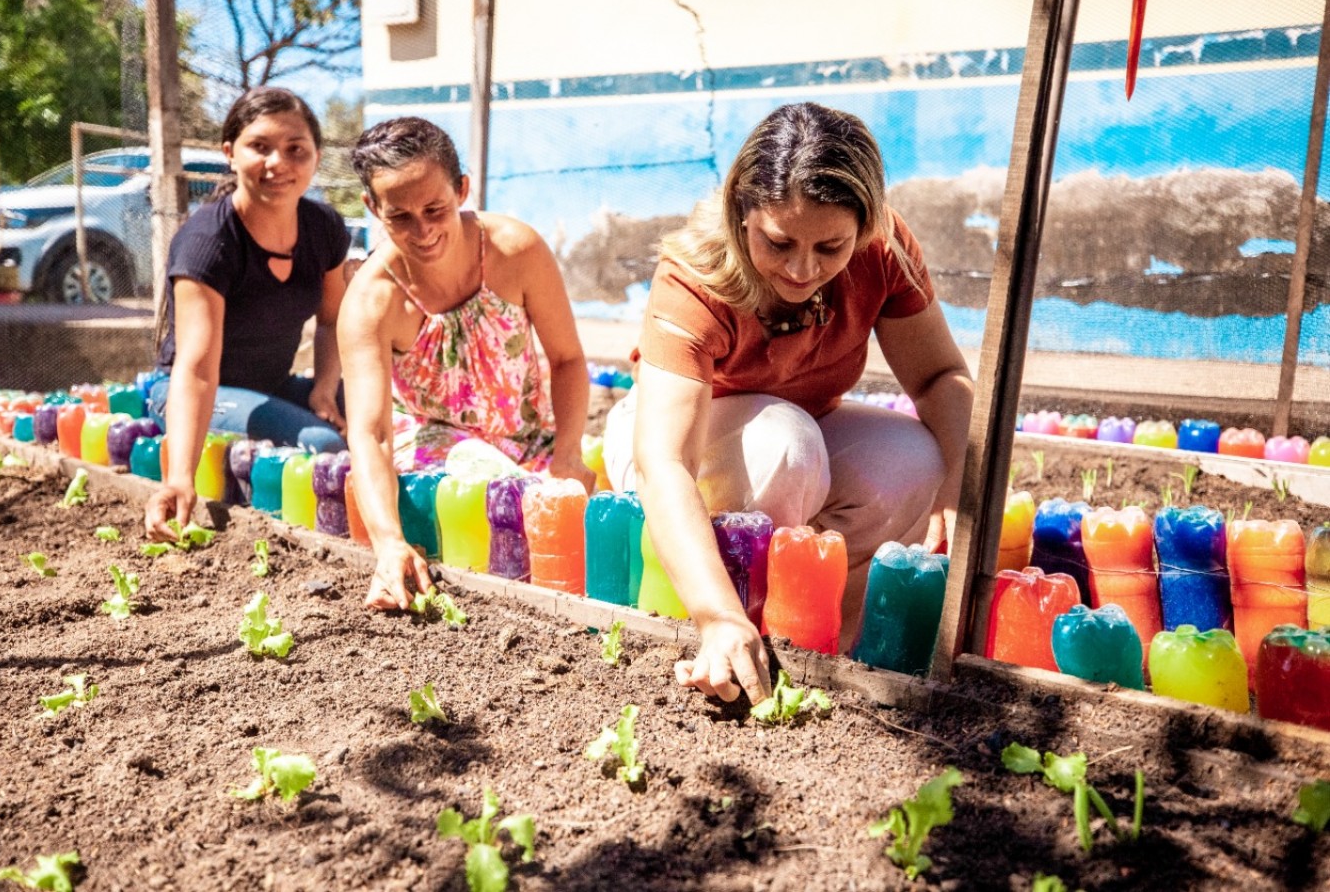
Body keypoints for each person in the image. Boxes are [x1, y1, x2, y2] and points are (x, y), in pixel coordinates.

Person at [602, 102, 973, 705]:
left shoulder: (883, 250)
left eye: (831, 248)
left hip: (795, 434)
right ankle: (737, 631)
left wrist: (959, 495)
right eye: (779, 243)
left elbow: (940, 378)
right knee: (787, 444)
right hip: (666, 450)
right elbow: (664, 462)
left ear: (866, 225)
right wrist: (716, 614)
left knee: (915, 460)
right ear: (742, 213)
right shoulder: (697, 273)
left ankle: (822, 643)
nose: (804, 269)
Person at [339, 116, 595, 611]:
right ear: (373, 208)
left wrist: (567, 453)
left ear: (461, 189)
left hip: (525, 438)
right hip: (435, 449)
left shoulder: (516, 249)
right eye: (400, 217)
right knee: (515, 503)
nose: (423, 230)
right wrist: (389, 542)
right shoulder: (371, 301)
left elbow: (566, 359)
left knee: (590, 503)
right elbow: (369, 433)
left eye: (435, 207)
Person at [144, 86, 350, 541]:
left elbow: (333, 320)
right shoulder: (208, 242)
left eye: (296, 149)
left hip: (272, 387)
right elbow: (196, 370)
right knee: (321, 444)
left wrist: (323, 388)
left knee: (370, 414)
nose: (278, 162)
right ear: (230, 153)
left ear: (316, 156)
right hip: (193, 391)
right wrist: (180, 477)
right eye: (260, 146)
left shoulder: (324, 229)